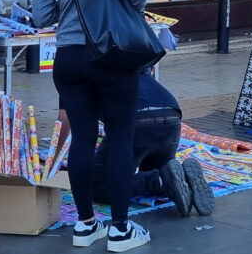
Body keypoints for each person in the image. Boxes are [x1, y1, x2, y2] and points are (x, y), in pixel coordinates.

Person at [33, 0, 150, 253]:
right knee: (120, 137)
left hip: (68, 58)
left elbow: (41, 16)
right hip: (111, 54)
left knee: (82, 139)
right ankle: (120, 230)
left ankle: (85, 225)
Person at [88, 73, 215, 217]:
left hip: (135, 123)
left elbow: (82, 133)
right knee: (162, 171)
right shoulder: (130, 63)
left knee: (100, 185)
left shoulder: (83, 75)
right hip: (171, 116)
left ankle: (159, 180)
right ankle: (180, 179)